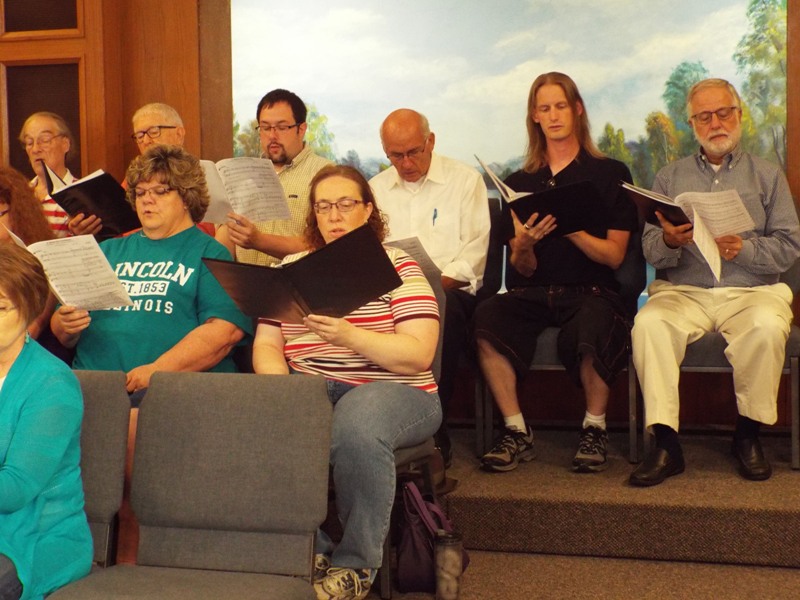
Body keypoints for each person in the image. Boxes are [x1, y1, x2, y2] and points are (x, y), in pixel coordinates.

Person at [253, 165, 441, 600]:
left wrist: (349, 335)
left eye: (345, 204)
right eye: (323, 207)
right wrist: (282, 390)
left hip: (397, 389)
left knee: (358, 422)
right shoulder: (291, 268)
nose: (333, 216)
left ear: (368, 210)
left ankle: (356, 565)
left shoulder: (398, 265)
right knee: (261, 417)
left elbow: (418, 353)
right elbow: (266, 344)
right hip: (309, 384)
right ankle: (310, 550)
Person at [629, 78, 800, 487]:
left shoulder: (767, 175)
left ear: (739, 115)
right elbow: (650, 248)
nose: (715, 123)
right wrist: (670, 241)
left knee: (765, 327)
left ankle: (747, 436)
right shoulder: (669, 177)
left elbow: (790, 245)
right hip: (685, 292)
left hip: (752, 292)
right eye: (704, 116)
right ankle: (666, 444)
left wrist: (745, 249)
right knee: (649, 324)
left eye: (723, 112)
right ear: (692, 124)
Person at [473, 72, 638, 473]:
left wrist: (570, 227)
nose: (553, 115)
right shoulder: (519, 182)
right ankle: (516, 430)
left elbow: (615, 257)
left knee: (596, 319)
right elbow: (522, 269)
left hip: (590, 289)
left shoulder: (610, 173)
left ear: (577, 109)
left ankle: (595, 427)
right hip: (533, 291)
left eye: (560, 106)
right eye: (544, 108)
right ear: (534, 116)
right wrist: (524, 245)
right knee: (486, 317)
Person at [50, 145, 252, 399]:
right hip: (92, 389)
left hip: (168, 392)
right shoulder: (106, 250)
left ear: (187, 197)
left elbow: (224, 332)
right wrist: (66, 325)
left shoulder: (210, 253)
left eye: (160, 191)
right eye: (140, 192)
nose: (147, 199)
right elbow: (61, 331)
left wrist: (157, 370)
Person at [370, 108, 490, 466]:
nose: (406, 163)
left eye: (413, 152)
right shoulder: (375, 189)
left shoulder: (464, 181)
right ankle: (380, 422)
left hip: (449, 289)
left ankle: (434, 424)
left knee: (439, 308)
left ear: (431, 141)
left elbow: (474, 256)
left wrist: (428, 288)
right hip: (391, 293)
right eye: (395, 155)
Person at [0, 244, 93, 599]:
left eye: (0, 308)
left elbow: (16, 488)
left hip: (37, 539)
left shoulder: (52, 384)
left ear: (30, 309)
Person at [216, 88, 332, 266]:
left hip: (298, 281)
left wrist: (259, 240)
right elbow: (227, 237)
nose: (272, 135)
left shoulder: (326, 174)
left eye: (282, 127)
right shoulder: (242, 173)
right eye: (265, 127)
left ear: (301, 129)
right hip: (244, 279)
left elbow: (325, 243)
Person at [69, 102, 190, 238]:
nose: (146, 141)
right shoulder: (134, 178)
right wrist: (88, 230)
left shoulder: (197, 175)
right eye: (139, 136)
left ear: (179, 134)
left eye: (154, 132)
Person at [18, 112, 76, 237]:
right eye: (29, 142)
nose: (35, 149)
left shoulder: (80, 195)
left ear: (65, 144)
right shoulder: (19, 195)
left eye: (44, 140)